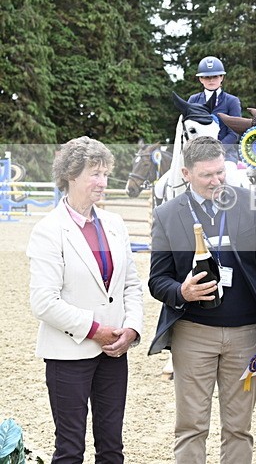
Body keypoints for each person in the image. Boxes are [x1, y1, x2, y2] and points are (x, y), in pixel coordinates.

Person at [148, 136, 256, 464]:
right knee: (191, 426)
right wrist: (181, 291)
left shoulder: (248, 204)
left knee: (239, 427)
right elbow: (157, 280)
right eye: (207, 175)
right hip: (192, 335)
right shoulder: (168, 214)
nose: (217, 180)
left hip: (245, 335)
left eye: (220, 172)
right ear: (186, 173)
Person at [28, 136, 144, 464]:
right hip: (68, 354)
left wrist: (131, 329)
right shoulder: (48, 231)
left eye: (106, 173)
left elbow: (131, 286)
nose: (103, 182)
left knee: (111, 447)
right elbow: (43, 301)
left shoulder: (115, 225)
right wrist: (94, 329)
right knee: (69, 450)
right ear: (70, 175)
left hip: (114, 352)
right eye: (95, 173)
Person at [188, 56, 242, 164]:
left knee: (232, 175)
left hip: (226, 155)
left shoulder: (232, 101)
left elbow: (234, 133)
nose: (211, 80)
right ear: (201, 79)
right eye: (207, 77)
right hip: (198, 156)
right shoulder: (193, 100)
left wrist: (216, 150)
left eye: (215, 76)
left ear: (221, 77)